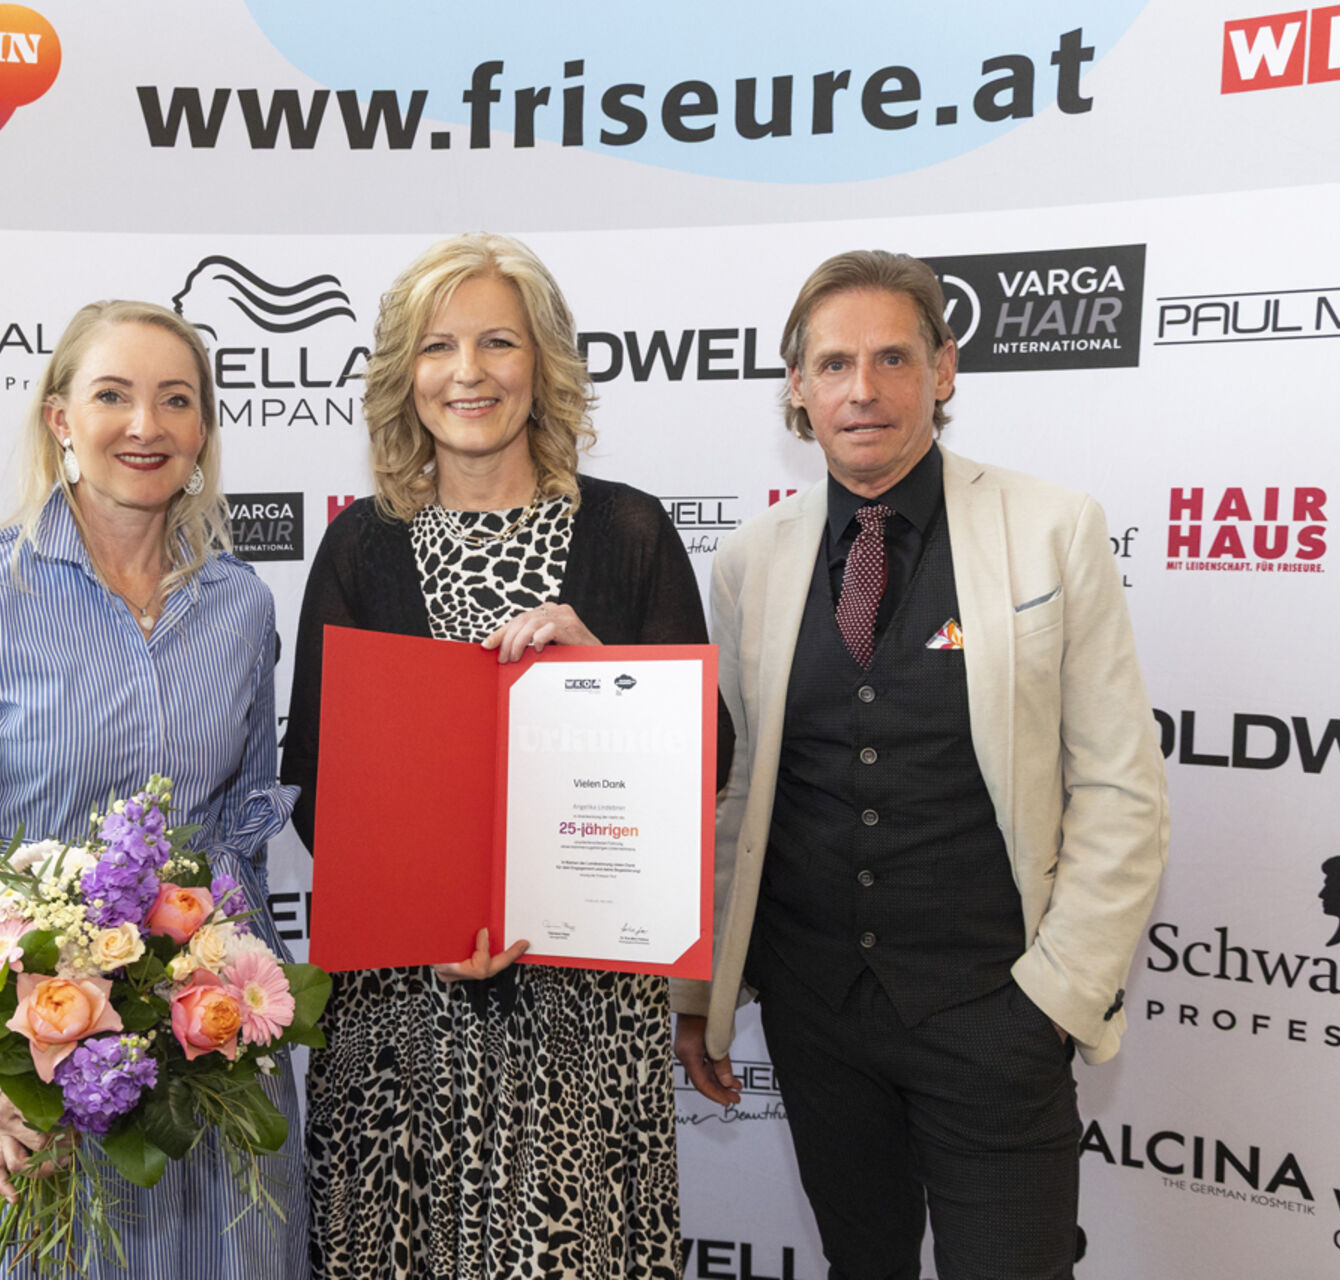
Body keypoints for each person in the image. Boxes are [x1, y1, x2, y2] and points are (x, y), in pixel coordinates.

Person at [673, 250, 1168, 1280]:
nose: (863, 389)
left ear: (943, 369)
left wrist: (1054, 997)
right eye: (834, 364)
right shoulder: (750, 559)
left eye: (892, 358)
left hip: (997, 1016)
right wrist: (700, 988)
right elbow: (739, 792)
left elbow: (1121, 787)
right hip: (818, 1016)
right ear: (797, 389)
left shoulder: (1052, 528)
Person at [281, 232, 725, 1279]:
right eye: (438, 346)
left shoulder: (628, 532)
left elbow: (706, 762)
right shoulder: (360, 546)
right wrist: (429, 920)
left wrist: (604, 670)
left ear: (545, 363)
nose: (468, 372)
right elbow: (319, 784)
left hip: (584, 1013)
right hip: (401, 1011)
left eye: (498, 342)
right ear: (405, 374)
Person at [0, 300, 308, 1279]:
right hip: (25, 1084)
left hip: (201, 1084)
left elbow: (237, 839)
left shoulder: (241, 604)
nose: (146, 425)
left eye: (175, 400)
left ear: (203, 429)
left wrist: (232, 997)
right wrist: (2, 1054)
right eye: (113, 395)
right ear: (60, 417)